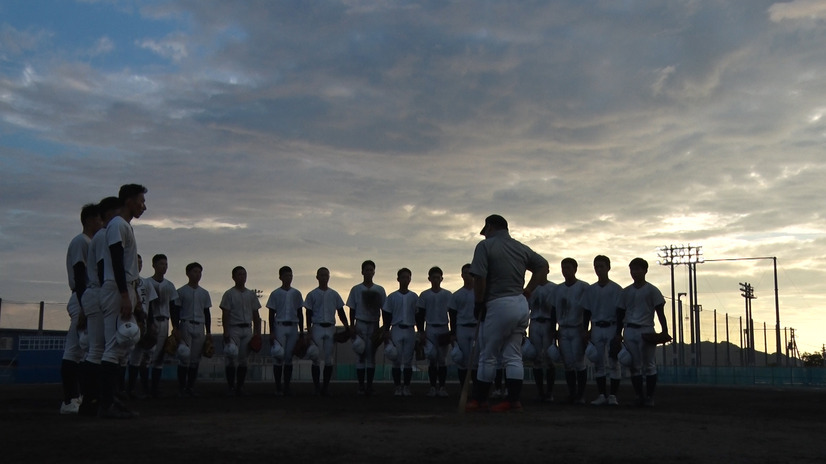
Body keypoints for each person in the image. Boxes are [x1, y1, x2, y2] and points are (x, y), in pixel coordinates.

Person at [467, 215, 549, 412]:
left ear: (490, 227)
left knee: (488, 355)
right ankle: (513, 401)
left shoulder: (485, 246)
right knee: (513, 355)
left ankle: (480, 399)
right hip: (521, 304)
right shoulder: (520, 247)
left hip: (498, 303)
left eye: (485, 229)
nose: (484, 234)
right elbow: (543, 265)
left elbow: (480, 278)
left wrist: (478, 302)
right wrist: (528, 290)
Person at [99, 183, 147, 418]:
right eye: (141, 201)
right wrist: (125, 295)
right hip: (117, 289)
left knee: (119, 347)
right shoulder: (118, 224)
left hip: (123, 287)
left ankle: (110, 400)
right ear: (128, 201)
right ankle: (107, 403)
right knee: (113, 347)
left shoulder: (123, 225)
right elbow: (117, 261)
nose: (143, 206)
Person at [77, 196, 120, 416]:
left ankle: (92, 401)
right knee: (104, 349)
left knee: (96, 350)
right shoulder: (105, 235)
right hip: (99, 292)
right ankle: (100, 400)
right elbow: (104, 266)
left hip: (93, 293)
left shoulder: (98, 236)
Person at [60, 202, 102, 415]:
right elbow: (79, 274)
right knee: (76, 349)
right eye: (98, 219)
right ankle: (70, 400)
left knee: (81, 350)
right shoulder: (81, 241)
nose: (101, 223)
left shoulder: (90, 242)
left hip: (85, 297)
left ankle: (78, 397)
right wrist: (84, 304)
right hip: (81, 297)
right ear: (88, 220)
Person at [616, 257, 669, 407]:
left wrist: (664, 331)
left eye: (638, 269)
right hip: (630, 329)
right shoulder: (626, 292)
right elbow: (620, 314)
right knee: (635, 365)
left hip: (646, 330)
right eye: (633, 269)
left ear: (645, 271)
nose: (635, 272)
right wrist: (618, 333)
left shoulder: (652, 290)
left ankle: (649, 397)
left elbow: (660, 312)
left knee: (649, 365)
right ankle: (639, 396)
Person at [581, 255, 623, 406]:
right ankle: (601, 394)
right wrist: (585, 330)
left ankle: (612, 395)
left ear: (608, 267)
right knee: (598, 362)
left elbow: (620, 313)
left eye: (601, 266)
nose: (598, 269)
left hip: (611, 326)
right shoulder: (591, 290)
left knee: (613, 361)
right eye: (596, 266)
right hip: (597, 327)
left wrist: (619, 333)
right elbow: (586, 312)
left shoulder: (616, 289)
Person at [304, 267, 350, 396]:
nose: (324, 277)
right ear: (317, 277)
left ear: (329, 277)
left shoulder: (334, 294)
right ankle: (317, 387)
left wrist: (347, 327)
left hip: (330, 327)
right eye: (322, 275)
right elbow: (308, 313)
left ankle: (325, 387)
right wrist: (308, 330)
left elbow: (341, 311)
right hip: (317, 326)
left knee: (329, 359)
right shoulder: (312, 294)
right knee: (315, 357)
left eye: (326, 275)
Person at [551, 257, 590, 404]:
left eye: (568, 268)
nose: (565, 271)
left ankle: (581, 394)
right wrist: (553, 329)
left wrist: (586, 330)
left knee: (579, 362)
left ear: (575, 269)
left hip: (577, 328)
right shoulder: (558, 289)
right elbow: (554, 310)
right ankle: (572, 393)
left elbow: (587, 310)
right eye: (563, 268)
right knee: (568, 363)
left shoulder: (583, 287)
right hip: (563, 328)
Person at [346, 260, 387, 396]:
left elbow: (384, 309)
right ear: (362, 272)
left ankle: (369, 385)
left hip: (374, 323)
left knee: (371, 356)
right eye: (367, 270)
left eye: (371, 270)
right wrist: (351, 325)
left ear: (374, 272)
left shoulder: (379, 290)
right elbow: (352, 308)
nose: (369, 272)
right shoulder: (356, 289)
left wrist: (383, 327)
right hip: (361, 323)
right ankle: (361, 386)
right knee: (360, 354)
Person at [220, 266, 262, 397]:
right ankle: (231, 386)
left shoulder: (251, 294)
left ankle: (240, 386)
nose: (242, 277)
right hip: (234, 328)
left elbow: (256, 314)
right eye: (239, 274)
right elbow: (225, 313)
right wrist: (226, 331)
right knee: (231, 356)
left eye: (244, 274)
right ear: (233, 277)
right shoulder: (229, 294)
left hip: (247, 328)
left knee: (243, 360)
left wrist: (257, 333)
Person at [171, 262, 212, 398]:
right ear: (188, 273)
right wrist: (175, 327)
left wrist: (209, 332)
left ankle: (190, 387)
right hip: (186, 324)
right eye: (194, 272)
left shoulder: (204, 293)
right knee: (184, 355)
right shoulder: (181, 291)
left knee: (195, 359)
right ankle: (182, 388)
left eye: (199, 272)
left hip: (200, 325)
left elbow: (207, 313)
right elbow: (175, 311)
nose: (197, 274)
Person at [266, 266, 304, 396]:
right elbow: (271, 313)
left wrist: (301, 332)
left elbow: (300, 313)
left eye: (290, 275)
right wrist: (272, 332)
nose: (289, 278)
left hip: (293, 326)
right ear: (280, 277)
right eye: (286, 275)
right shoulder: (275, 293)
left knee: (288, 357)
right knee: (278, 356)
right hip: (280, 325)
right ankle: (278, 387)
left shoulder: (296, 293)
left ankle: (286, 386)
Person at [417, 266, 453, 397]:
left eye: (438, 277)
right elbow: (420, 314)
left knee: (442, 360)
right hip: (430, 327)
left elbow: (453, 313)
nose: (436, 280)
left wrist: (452, 332)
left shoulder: (448, 295)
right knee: (432, 358)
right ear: (429, 279)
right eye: (434, 277)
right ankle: (432, 386)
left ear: (442, 279)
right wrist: (421, 332)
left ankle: (442, 387)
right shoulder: (425, 295)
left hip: (443, 327)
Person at [382, 268, 418, 396]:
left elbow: (418, 315)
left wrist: (420, 331)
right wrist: (386, 331)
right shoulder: (392, 297)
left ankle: (406, 387)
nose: (405, 279)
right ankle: (398, 386)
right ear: (398, 279)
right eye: (403, 277)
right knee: (396, 359)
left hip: (409, 329)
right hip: (396, 328)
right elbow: (386, 314)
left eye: (407, 277)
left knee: (408, 360)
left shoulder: (414, 297)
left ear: (410, 279)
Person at [126, 254, 158, 400]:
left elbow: (150, 305)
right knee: (125, 355)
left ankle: (136, 389)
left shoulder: (146, 282)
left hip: (143, 321)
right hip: (128, 320)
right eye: (136, 262)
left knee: (140, 356)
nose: (138, 265)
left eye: (140, 262)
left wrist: (151, 323)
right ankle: (121, 388)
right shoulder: (125, 281)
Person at [147, 253, 178, 398]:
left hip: (164, 321)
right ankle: (144, 387)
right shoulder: (147, 283)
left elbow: (173, 307)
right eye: (161, 264)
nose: (164, 267)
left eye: (166, 264)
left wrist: (175, 327)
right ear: (153, 265)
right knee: (147, 354)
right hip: (150, 322)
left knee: (160, 356)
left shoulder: (169, 285)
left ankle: (154, 388)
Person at [448, 264, 478, 390]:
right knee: (462, 360)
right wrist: (453, 333)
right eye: (465, 273)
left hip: (477, 328)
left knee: (476, 360)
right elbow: (452, 316)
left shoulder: (479, 293)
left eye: (470, 273)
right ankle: (463, 388)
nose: (468, 276)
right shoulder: (457, 295)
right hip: (462, 328)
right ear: (461, 275)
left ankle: (477, 390)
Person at [528, 275, 557, 402]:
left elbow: (555, 309)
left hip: (548, 323)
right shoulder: (531, 288)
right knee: (536, 358)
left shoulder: (553, 288)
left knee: (549, 357)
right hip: (534, 322)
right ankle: (540, 391)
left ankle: (549, 392)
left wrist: (554, 327)